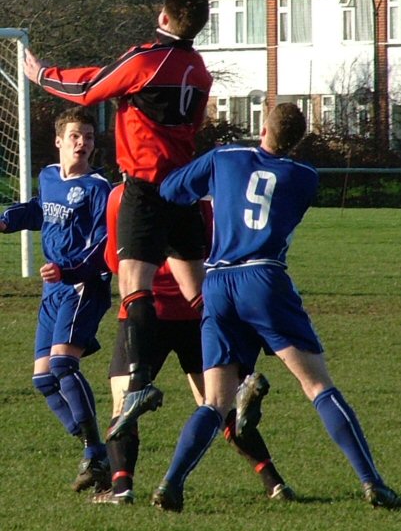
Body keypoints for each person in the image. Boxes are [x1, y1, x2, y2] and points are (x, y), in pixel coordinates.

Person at [151, 102, 401, 511]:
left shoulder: (224, 158)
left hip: (217, 281)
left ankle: (171, 483)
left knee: (215, 402)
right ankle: (372, 482)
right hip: (263, 279)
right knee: (317, 385)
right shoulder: (304, 176)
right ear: (298, 140)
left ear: (262, 126)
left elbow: (170, 190)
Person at [23, 0, 213, 436]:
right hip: (185, 187)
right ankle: (239, 367)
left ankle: (141, 380)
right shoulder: (200, 69)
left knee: (133, 284)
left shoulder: (148, 58)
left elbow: (90, 87)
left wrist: (43, 75)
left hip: (147, 189)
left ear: (164, 17)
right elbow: (195, 122)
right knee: (198, 292)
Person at [90, 183, 294, 505]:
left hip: (144, 316)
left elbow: (117, 263)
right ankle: (275, 484)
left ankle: (121, 490)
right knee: (219, 404)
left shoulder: (121, 197)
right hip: (198, 314)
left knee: (124, 403)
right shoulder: (202, 206)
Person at [0, 106, 113, 492]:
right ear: (59, 141)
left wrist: (69, 271)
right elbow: (38, 210)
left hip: (82, 286)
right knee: (43, 380)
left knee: (64, 364)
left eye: (90, 137)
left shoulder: (100, 188)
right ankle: (96, 449)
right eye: (76, 136)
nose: (83, 143)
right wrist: (7, 219)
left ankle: (97, 453)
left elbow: (104, 244)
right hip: (54, 289)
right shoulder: (49, 176)